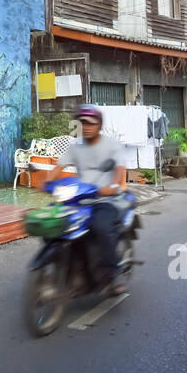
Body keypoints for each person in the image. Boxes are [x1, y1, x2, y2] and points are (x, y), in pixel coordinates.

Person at [57, 103, 129, 295]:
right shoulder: (76, 146)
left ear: (99, 124)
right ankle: (73, 270)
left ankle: (114, 276)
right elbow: (58, 167)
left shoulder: (112, 145)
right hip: (80, 200)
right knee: (59, 226)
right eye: (83, 122)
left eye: (91, 123)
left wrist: (113, 187)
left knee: (101, 227)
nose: (86, 126)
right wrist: (46, 182)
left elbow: (120, 173)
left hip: (105, 200)